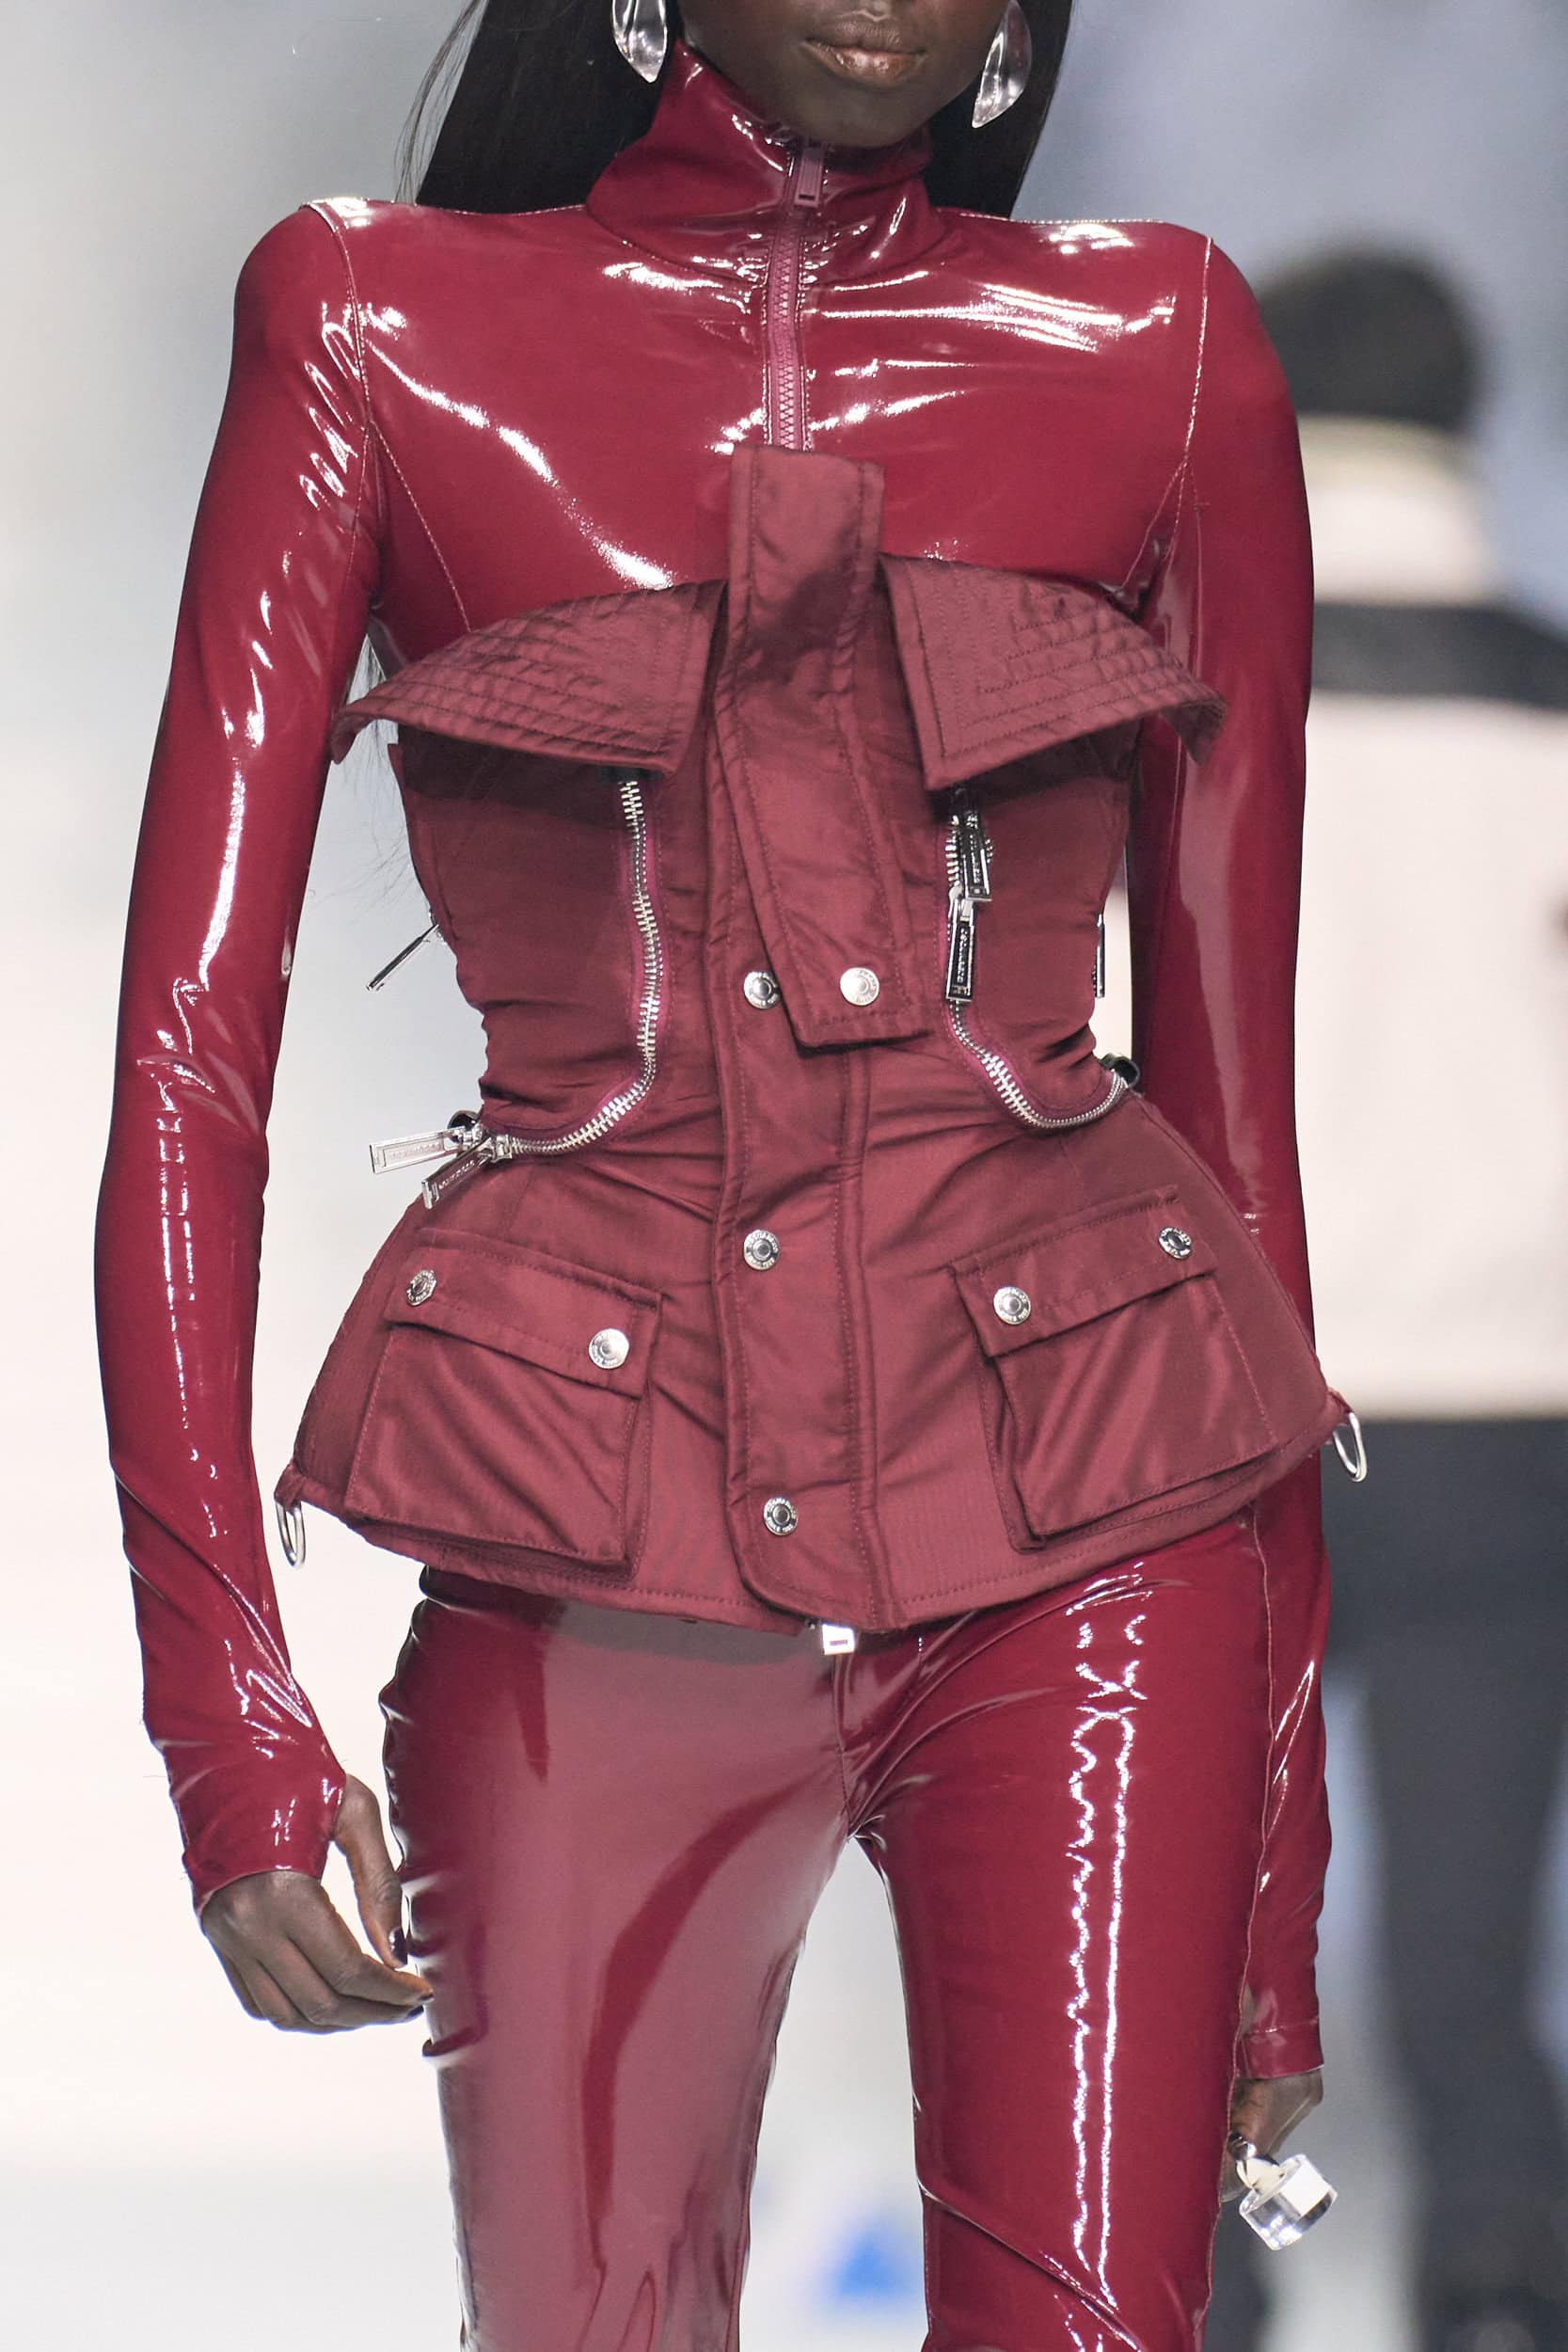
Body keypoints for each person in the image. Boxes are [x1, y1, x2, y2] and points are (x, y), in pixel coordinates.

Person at [94, 5, 1351, 2344]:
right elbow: (189, 1061)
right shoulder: (371, 318)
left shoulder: (1161, 345)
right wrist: (220, 1703)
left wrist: (1272, 1891)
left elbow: (1237, 1143)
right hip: (591, 1543)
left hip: (1092, 1534)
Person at [1202, 255, 1568, 2352]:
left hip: (1224, 1399)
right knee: (1468, 1942)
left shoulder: (1175, 701)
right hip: (1515, 1395)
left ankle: (1187, 2284)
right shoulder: (1555, 706)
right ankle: (1498, 2269)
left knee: (1180, 1921)